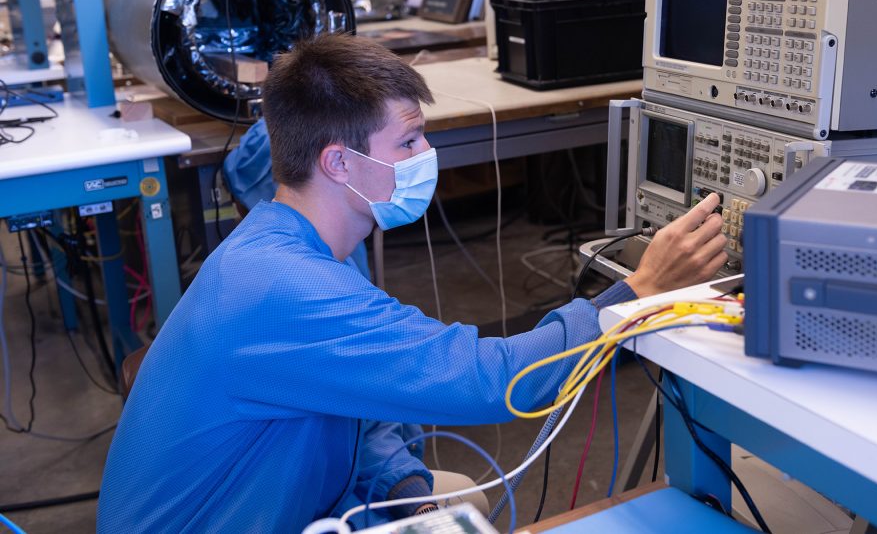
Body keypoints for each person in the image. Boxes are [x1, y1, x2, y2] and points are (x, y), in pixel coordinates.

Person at [97, 33, 727, 532]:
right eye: (409, 140)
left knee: (449, 501)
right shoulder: (280, 287)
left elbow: (358, 405)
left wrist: (405, 494)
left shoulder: (302, 247)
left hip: (277, 503)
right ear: (339, 162)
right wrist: (635, 295)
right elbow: (491, 381)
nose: (429, 156)